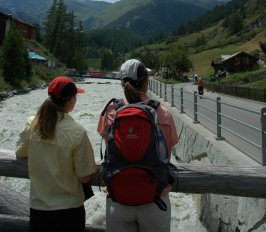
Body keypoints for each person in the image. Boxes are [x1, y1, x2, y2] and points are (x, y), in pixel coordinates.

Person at [97, 59, 178, 232]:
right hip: (155, 199)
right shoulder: (162, 113)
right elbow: (167, 156)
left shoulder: (111, 111)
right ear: (147, 81)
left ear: (122, 83)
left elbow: (111, 152)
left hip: (118, 199)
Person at [16, 76, 97, 232]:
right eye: (75, 96)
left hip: (39, 210)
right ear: (69, 101)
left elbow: (20, 151)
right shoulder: (77, 132)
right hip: (69, 211)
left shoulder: (32, 124)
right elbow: (85, 176)